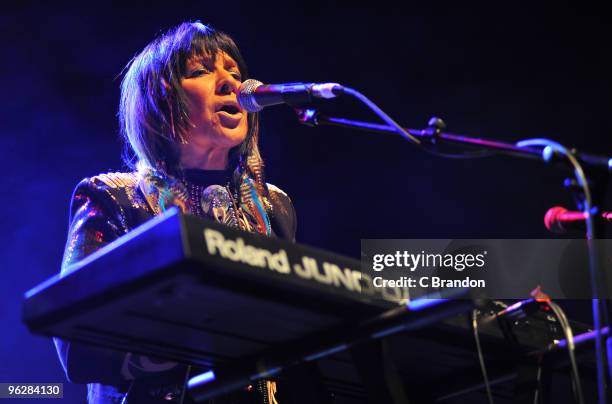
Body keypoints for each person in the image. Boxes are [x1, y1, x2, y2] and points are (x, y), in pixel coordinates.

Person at [54, 21, 299, 404]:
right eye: (201, 72)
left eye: (235, 73)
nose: (230, 83)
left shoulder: (273, 206)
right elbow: (77, 344)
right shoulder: (114, 198)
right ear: (158, 101)